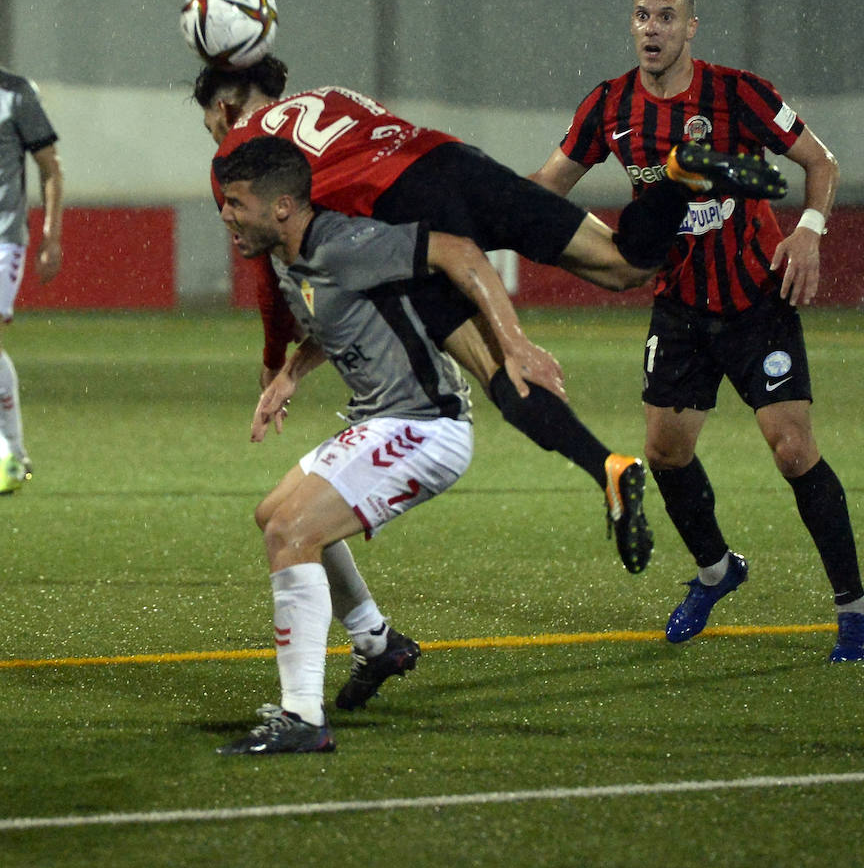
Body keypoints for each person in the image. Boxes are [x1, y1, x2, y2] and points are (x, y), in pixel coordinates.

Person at [191, 37, 785, 575]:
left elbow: (275, 274)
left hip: (410, 211)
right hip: (454, 161)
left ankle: (605, 465)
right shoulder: (326, 97)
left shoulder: (240, 160)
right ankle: (678, 176)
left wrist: (275, 362)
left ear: (222, 113)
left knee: (498, 366)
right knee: (626, 262)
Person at [530, 0, 864, 663]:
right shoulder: (610, 106)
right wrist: (487, 201)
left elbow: (822, 163)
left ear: (690, 27)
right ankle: (718, 571)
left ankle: (854, 607)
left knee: (793, 449)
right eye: (641, 16)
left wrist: (809, 228)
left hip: (756, 300)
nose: (651, 29)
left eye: (666, 17)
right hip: (680, 306)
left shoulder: (738, 93)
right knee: (664, 452)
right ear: (631, 25)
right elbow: (546, 186)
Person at [212, 135, 574, 754]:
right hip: (385, 419)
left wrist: (512, 344)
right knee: (272, 516)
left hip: (427, 426)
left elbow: (459, 252)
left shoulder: (344, 242)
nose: (226, 216)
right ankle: (378, 643)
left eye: (236, 204)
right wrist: (289, 377)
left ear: (279, 208)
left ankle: (302, 718)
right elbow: (338, 318)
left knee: (291, 534)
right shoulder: (292, 257)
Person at [0, 68, 63, 494]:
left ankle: (5, 455)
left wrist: (51, 236)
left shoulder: (15, 94)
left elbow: (50, 167)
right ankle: (15, 453)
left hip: (3, 239)